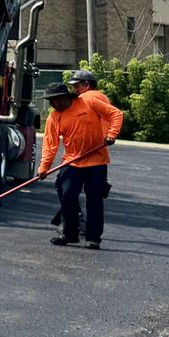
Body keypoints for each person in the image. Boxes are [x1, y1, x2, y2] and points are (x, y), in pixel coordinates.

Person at [39, 81, 111, 249]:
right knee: (67, 194)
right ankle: (70, 234)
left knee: (94, 199)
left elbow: (115, 114)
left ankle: (94, 238)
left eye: (52, 100)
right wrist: (44, 167)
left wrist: (110, 134)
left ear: (62, 98)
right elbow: (50, 144)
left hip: (96, 160)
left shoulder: (89, 103)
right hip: (73, 161)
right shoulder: (54, 117)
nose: (50, 104)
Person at [52, 67, 125, 227]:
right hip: (98, 152)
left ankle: (74, 221)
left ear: (86, 84)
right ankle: (87, 230)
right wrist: (111, 135)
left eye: (76, 86)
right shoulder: (102, 97)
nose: (74, 90)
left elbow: (114, 116)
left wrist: (110, 134)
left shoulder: (87, 98)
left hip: (84, 154)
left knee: (63, 187)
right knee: (93, 197)